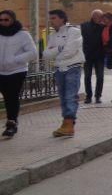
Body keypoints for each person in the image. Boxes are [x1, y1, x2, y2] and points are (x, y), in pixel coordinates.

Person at [43, 9, 85, 138]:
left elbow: (70, 51)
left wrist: (55, 52)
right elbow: (45, 54)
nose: (51, 21)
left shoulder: (74, 31)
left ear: (62, 19)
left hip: (73, 67)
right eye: (50, 18)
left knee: (70, 96)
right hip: (59, 69)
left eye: (54, 18)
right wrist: (60, 49)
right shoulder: (52, 35)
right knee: (62, 98)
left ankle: (69, 123)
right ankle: (66, 124)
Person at [0, 10, 37, 138]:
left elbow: (33, 53)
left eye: (6, 19)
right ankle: (12, 121)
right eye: (1, 20)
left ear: (13, 20)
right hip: (1, 71)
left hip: (17, 70)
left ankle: (12, 123)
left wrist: (15, 60)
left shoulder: (23, 35)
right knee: (6, 97)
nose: (3, 22)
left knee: (12, 96)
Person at [81, 9, 106, 104]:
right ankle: (88, 96)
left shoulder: (103, 27)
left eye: (102, 17)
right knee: (87, 76)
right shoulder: (84, 26)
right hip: (88, 56)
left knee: (100, 77)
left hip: (100, 56)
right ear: (94, 16)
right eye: (100, 17)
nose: (101, 19)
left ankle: (98, 96)